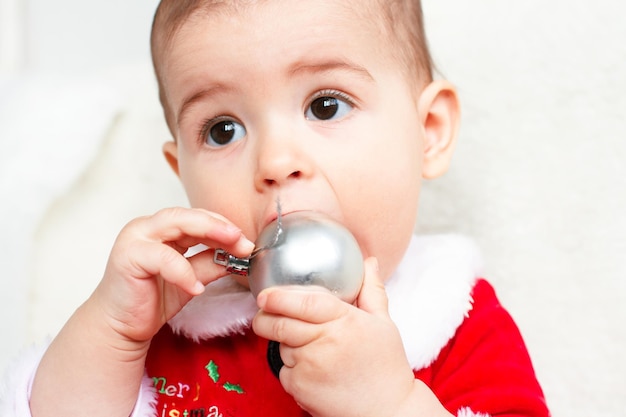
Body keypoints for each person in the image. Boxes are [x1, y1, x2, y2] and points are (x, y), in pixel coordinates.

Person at [2, 0, 550, 416]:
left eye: (325, 105)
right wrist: (113, 332)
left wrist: (390, 401)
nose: (276, 161)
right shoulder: (176, 320)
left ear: (427, 132)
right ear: (181, 174)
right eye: (222, 130)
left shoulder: (453, 320)